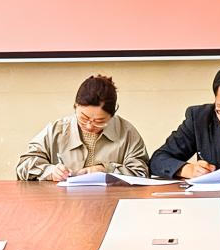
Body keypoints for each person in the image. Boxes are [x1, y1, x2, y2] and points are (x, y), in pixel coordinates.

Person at [16, 75, 149, 181]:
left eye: (99, 121)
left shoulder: (126, 132)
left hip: (110, 201)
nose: (89, 126)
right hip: (63, 202)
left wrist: (106, 170)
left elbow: (142, 172)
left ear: (112, 115)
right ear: (75, 106)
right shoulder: (56, 130)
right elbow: (24, 164)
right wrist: (50, 172)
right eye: (83, 118)